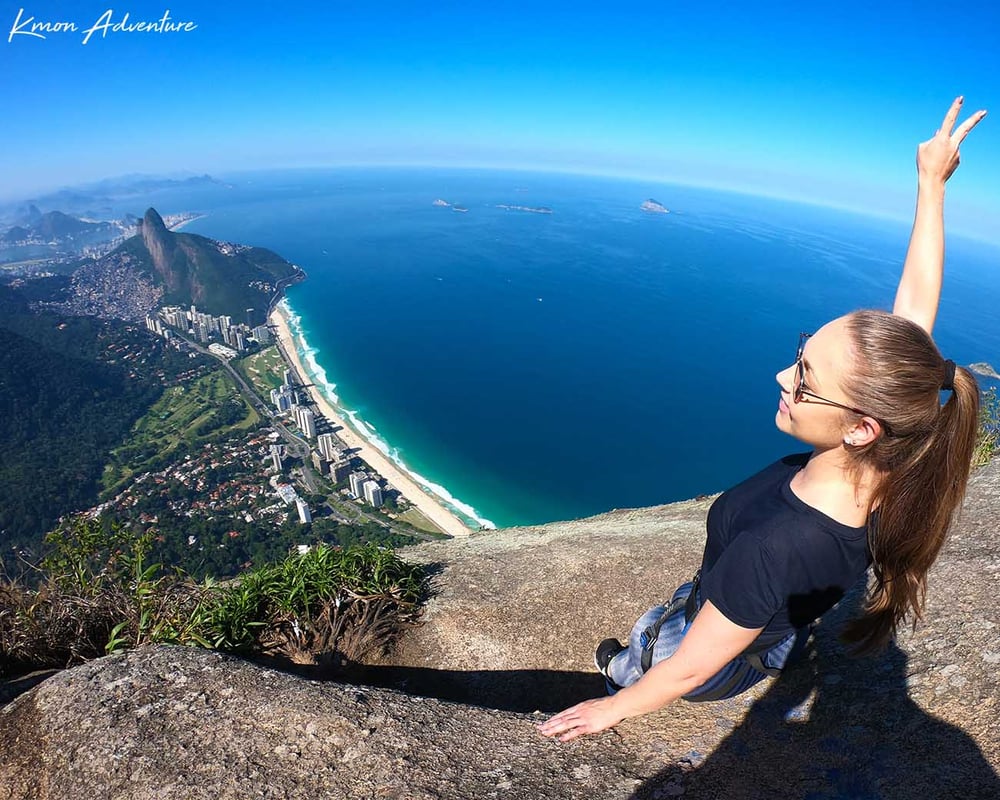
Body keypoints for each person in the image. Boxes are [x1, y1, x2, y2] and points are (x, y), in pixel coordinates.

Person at [538, 96, 988, 743]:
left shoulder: (776, 547)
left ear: (862, 427)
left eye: (805, 378)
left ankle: (618, 668)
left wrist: (618, 706)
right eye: (799, 356)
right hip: (772, 633)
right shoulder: (900, 452)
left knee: (655, 648)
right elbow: (911, 327)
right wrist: (931, 185)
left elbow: (692, 667)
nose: (784, 378)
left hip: (713, 642)